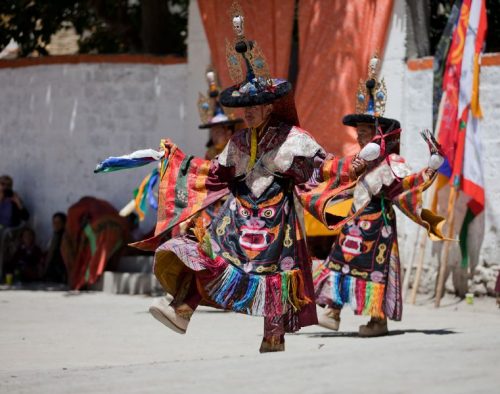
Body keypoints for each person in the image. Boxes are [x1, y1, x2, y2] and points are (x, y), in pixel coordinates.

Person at [96, 6, 351, 352]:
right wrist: (172, 159)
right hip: (238, 217)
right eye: (243, 107)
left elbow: (325, 168)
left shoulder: (294, 138)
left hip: (278, 222)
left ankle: (273, 336)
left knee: (276, 278)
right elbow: (212, 173)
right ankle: (181, 310)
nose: (246, 112)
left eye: (254, 105)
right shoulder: (237, 142)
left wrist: (357, 166)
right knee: (203, 251)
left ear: (269, 106)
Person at [312, 55, 446, 337]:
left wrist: (431, 168)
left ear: (379, 135)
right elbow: (337, 179)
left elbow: (408, 186)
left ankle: (378, 320)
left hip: (378, 228)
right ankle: (333, 312)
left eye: (365, 133)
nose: (360, 138)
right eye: (358, 133)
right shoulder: (358, 160)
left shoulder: (392, 163)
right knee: (339, 261)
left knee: (376, 271)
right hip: (353, 224)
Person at [61, 197, 128, 290]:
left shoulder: (76, 210)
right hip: (117, 231)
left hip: (97, 231)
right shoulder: (102, 206)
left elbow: (72, 232)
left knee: (93, 256)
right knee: (100, 254)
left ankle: (84, 280)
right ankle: (90, 276)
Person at [198, 68, 244, 160]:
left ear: (228, 133)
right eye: (213, 133)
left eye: (218, 132)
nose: (214, 137)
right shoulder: (210, 154)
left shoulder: (238, 150)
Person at [43, 212, 67, 283]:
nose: (55, 225)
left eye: (58, 222)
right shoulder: (55, 236)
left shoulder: (65, 237)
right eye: (54, 222)